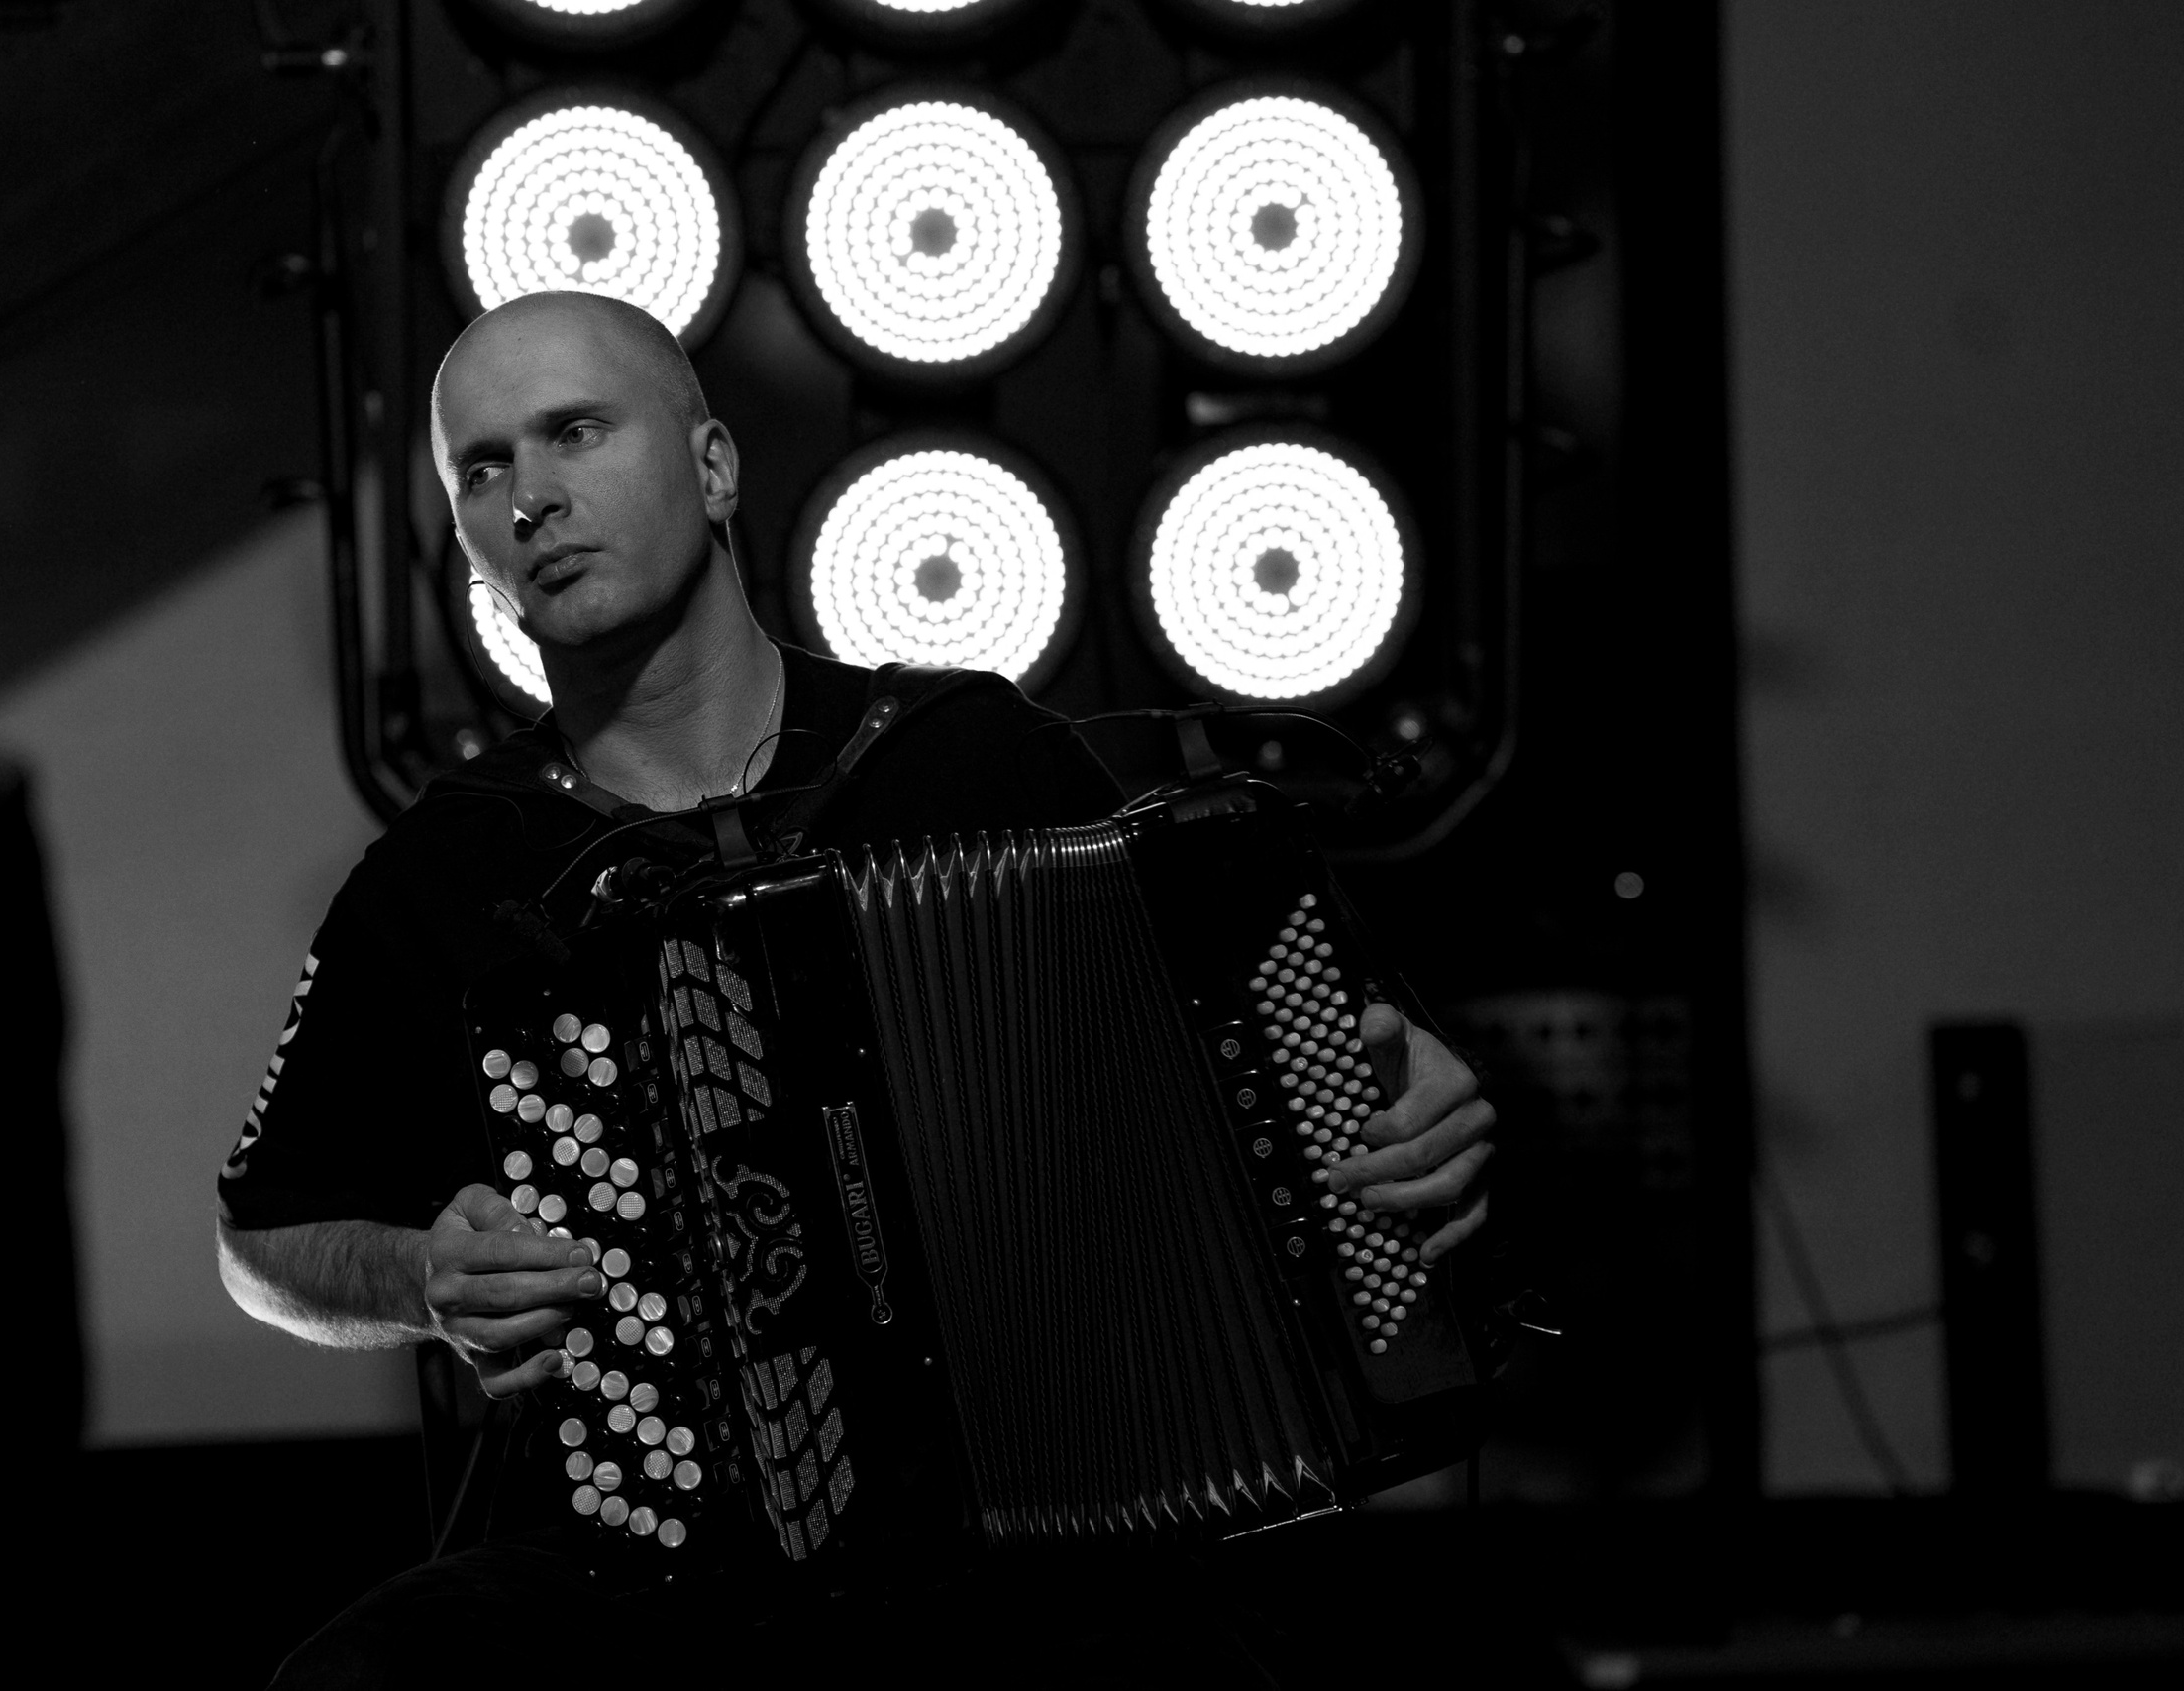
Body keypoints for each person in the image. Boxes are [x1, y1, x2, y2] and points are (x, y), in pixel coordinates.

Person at [216, 291, 1497, 1684]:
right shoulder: (444, 875)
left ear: (712, 466)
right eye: (484, 468)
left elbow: (1254, 1050)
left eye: (575, 432)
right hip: (661, 1575)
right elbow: (262, 1244)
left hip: (1058, 1544)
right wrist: (420, 1273)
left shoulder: (967, 756)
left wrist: (1385, 1119)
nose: (531, 496)